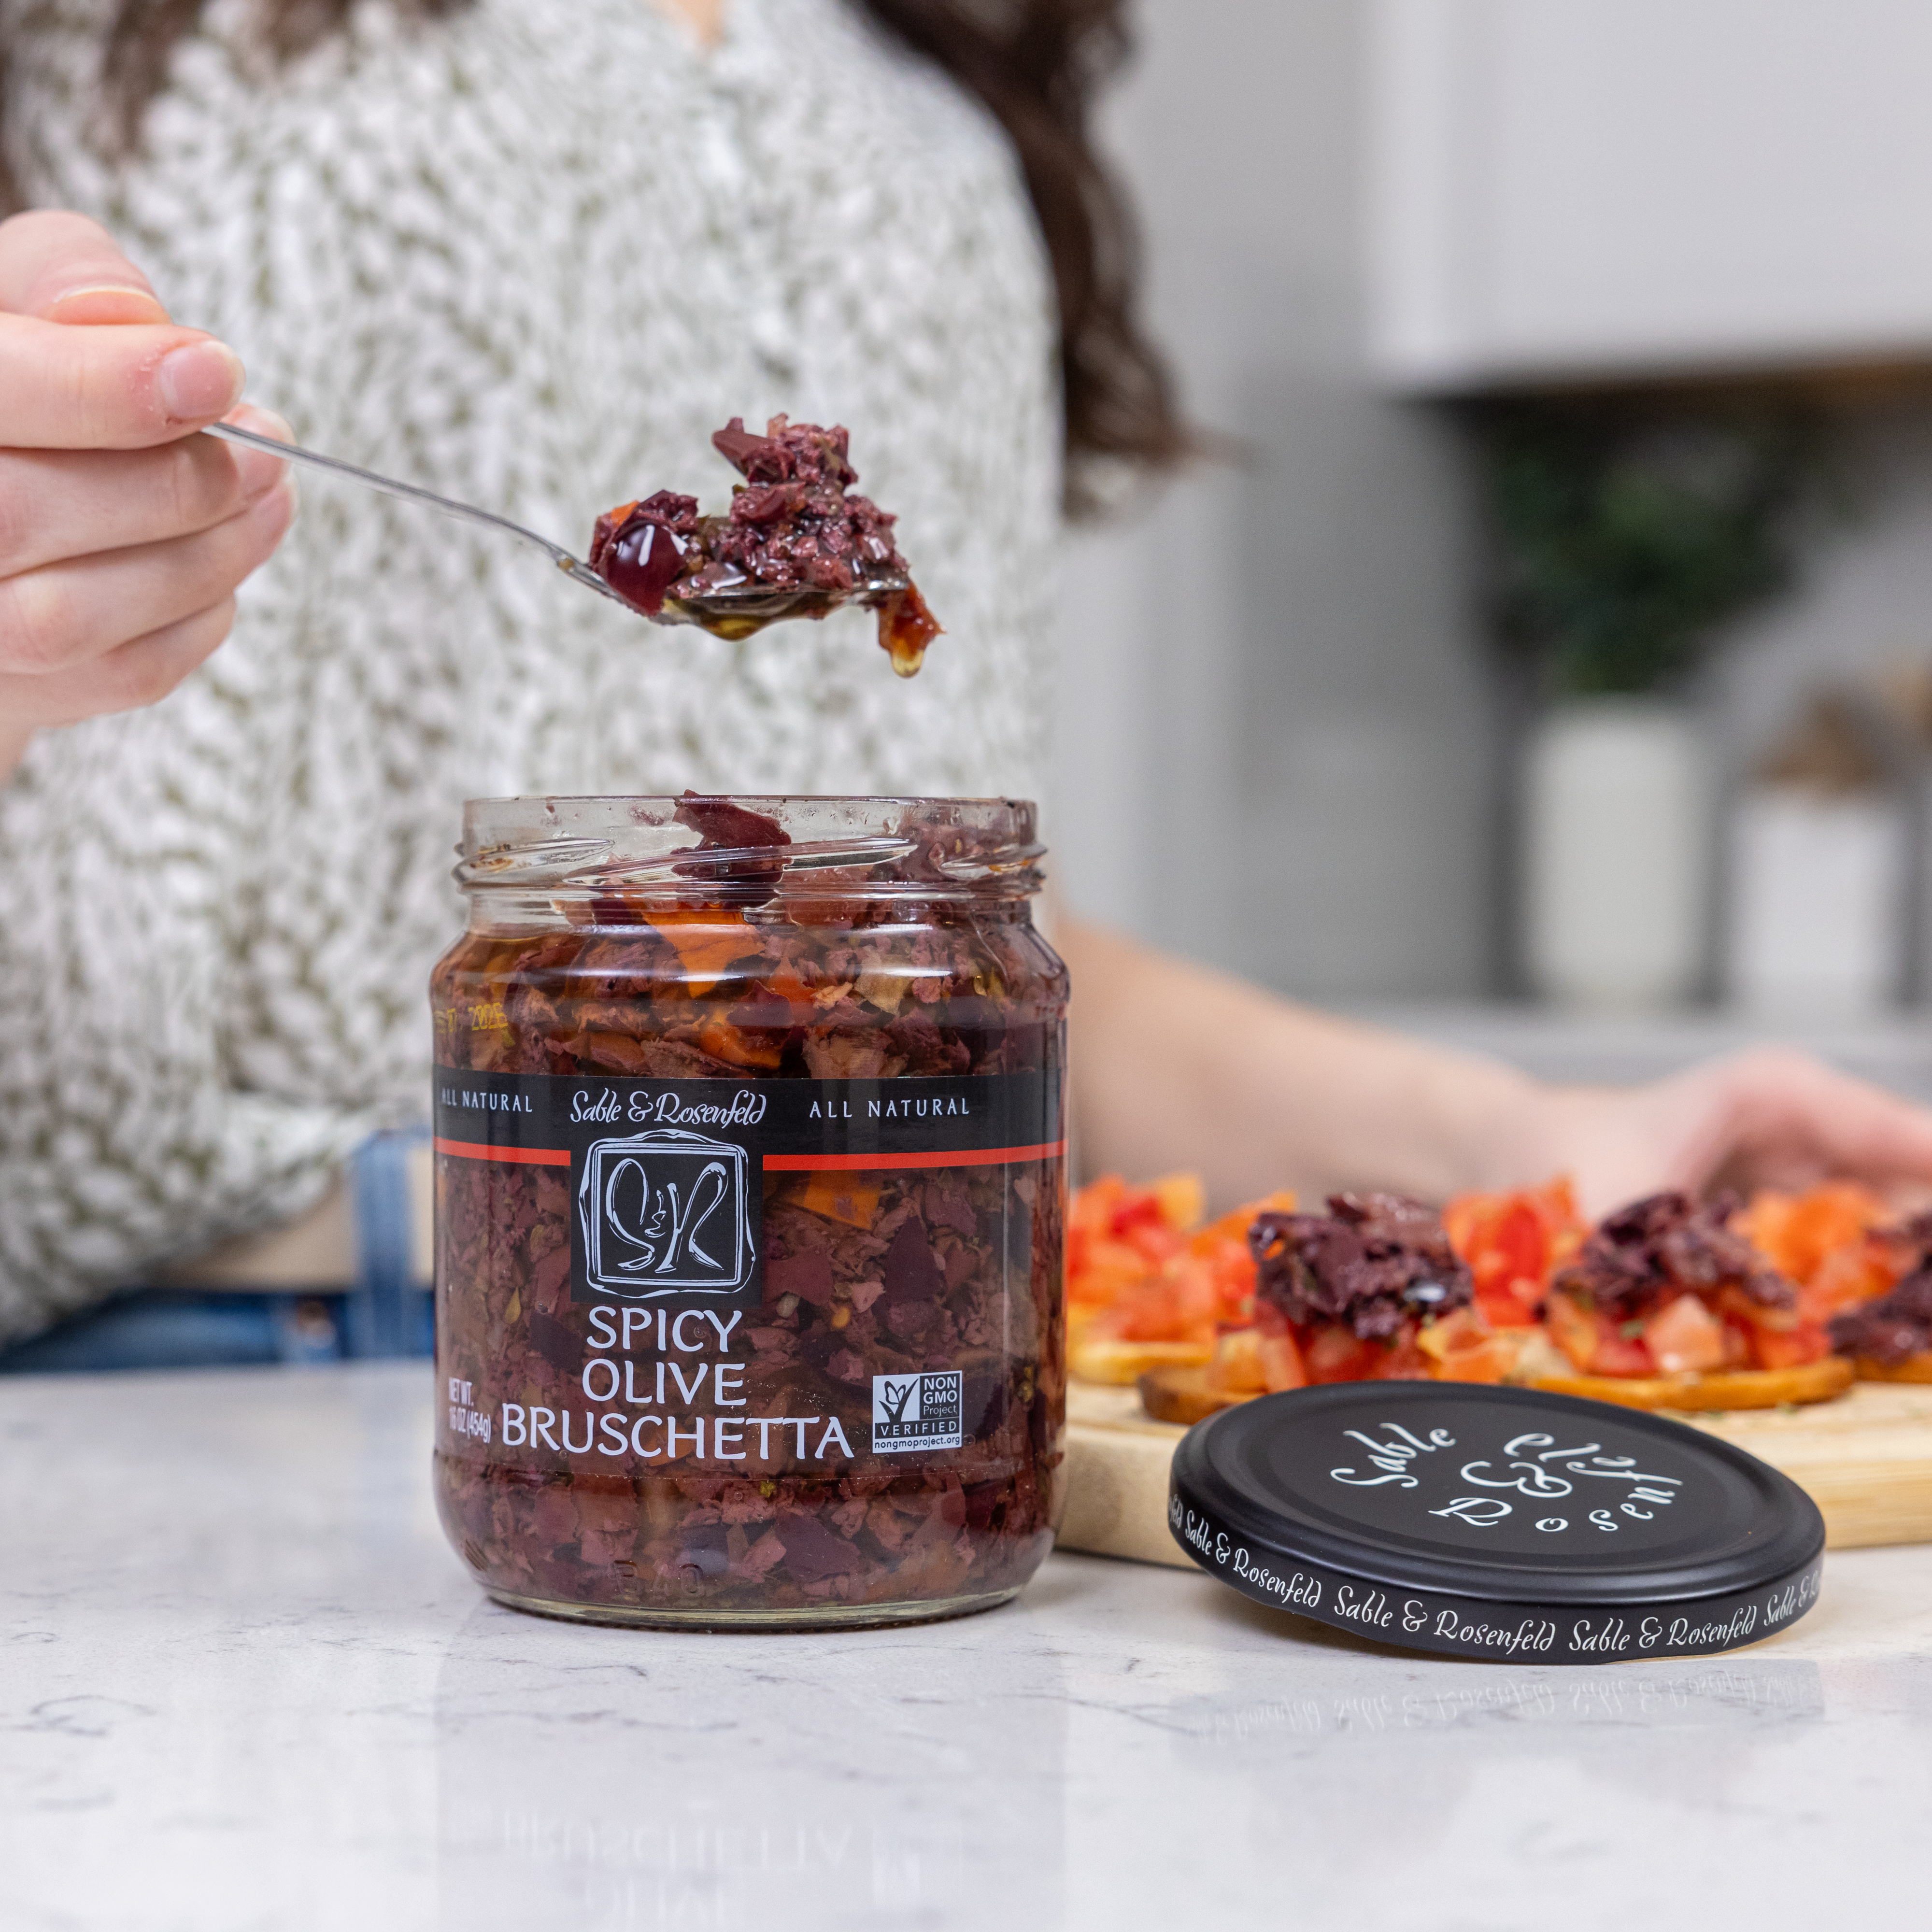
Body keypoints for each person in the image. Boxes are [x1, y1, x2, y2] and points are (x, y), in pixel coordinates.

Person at [3, 0, 1932, 1364]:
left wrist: (1505, 1147)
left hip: (865, 1366)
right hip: (185, 1370)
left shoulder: (932, 69)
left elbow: (949, 958)